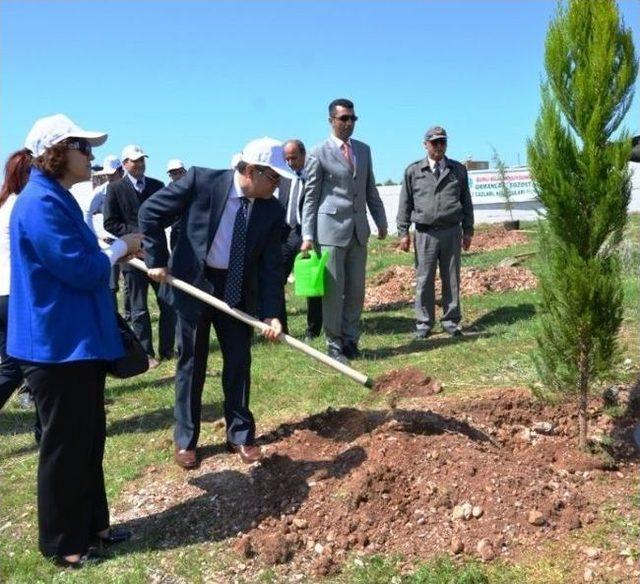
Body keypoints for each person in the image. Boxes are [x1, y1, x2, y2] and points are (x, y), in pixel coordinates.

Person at [8, 114, 142, 567]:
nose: (91, 155)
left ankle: (93, 527)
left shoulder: (57, 198)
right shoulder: (40, 204)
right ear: (57, 152)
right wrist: (121, 250)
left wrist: (110, 250)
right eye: (82, 147)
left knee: (87, 440)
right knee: (64, 448)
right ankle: (63, 544)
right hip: (57, 346)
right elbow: (82, 269)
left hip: (74, 342)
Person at [139, 137, 293, 470]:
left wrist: (272, 314)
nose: (277, 186)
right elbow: (150, 212)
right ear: (251, 171)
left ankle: (240, 433)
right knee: (191, 362)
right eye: (274, 178)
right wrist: (157, 257)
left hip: (237, 288)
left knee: (239, 359)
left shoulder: (271, 209)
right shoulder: (200, 181)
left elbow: (270, 266)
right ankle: (186, 440)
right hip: (194, 283)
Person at [300, 98, 388, 364]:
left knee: (356, 290)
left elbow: (369, 189)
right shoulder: (319, 152)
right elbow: (311, 197)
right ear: (331, 121)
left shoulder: (363, 150)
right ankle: (333, 342)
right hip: (330, 232)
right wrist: (307, 235)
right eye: (344, 119)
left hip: (359, 230)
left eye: (353, 118)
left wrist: (381, 220)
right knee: (334, 291)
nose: (349, 123)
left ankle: (351, 340)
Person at [397, 126, 474, 339]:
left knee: (451, 278)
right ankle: (424, 323)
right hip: (425, 234)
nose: (439, 146)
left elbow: (466, 202)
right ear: (425, 145)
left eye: (442, 142)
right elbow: (405, 203)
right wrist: (403, 232)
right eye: (434, 142)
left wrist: (468, 230)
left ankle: (451, 321)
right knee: (424, 279)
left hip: (451, 231)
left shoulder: (457, 170)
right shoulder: (413, 171)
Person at [104, 144, 174, 367]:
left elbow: (169, 214)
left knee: (168, 303)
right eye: (135, 160)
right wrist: (134, 237)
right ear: (125, 164)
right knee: (139, 307)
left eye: (142, 159)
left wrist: (152, 232)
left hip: (158, 254)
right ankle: (146, 353)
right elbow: (110, 222)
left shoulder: (157, 186)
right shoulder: (115, 188)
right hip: (132, 257)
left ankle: (168, 349)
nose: (140, 164)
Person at [277, 139, 322, 340]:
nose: (290, 162)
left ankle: (313, 330)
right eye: (287, 159)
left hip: (311, 233)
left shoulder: (314, 176)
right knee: (276, 278)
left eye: (294, 158)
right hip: (288, 234)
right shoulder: (285, 177)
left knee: (311, 282)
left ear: (303, 154)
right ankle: (281, 328)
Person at [0, 150, 31, 411]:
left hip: (1, 294)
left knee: (10, 363)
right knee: (20, 364)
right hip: (14, 293)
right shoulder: (23, 205)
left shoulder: (2, 204)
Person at [87, 155, 124, 310]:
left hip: (130, 240)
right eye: (108, 175)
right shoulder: (100, 192)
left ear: (121, 172)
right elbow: (87, 213)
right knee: (111, 284)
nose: (110, 177)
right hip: (110, 242)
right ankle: (113, 316)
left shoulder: (129, 189)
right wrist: (96, 236)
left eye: (113, 174)